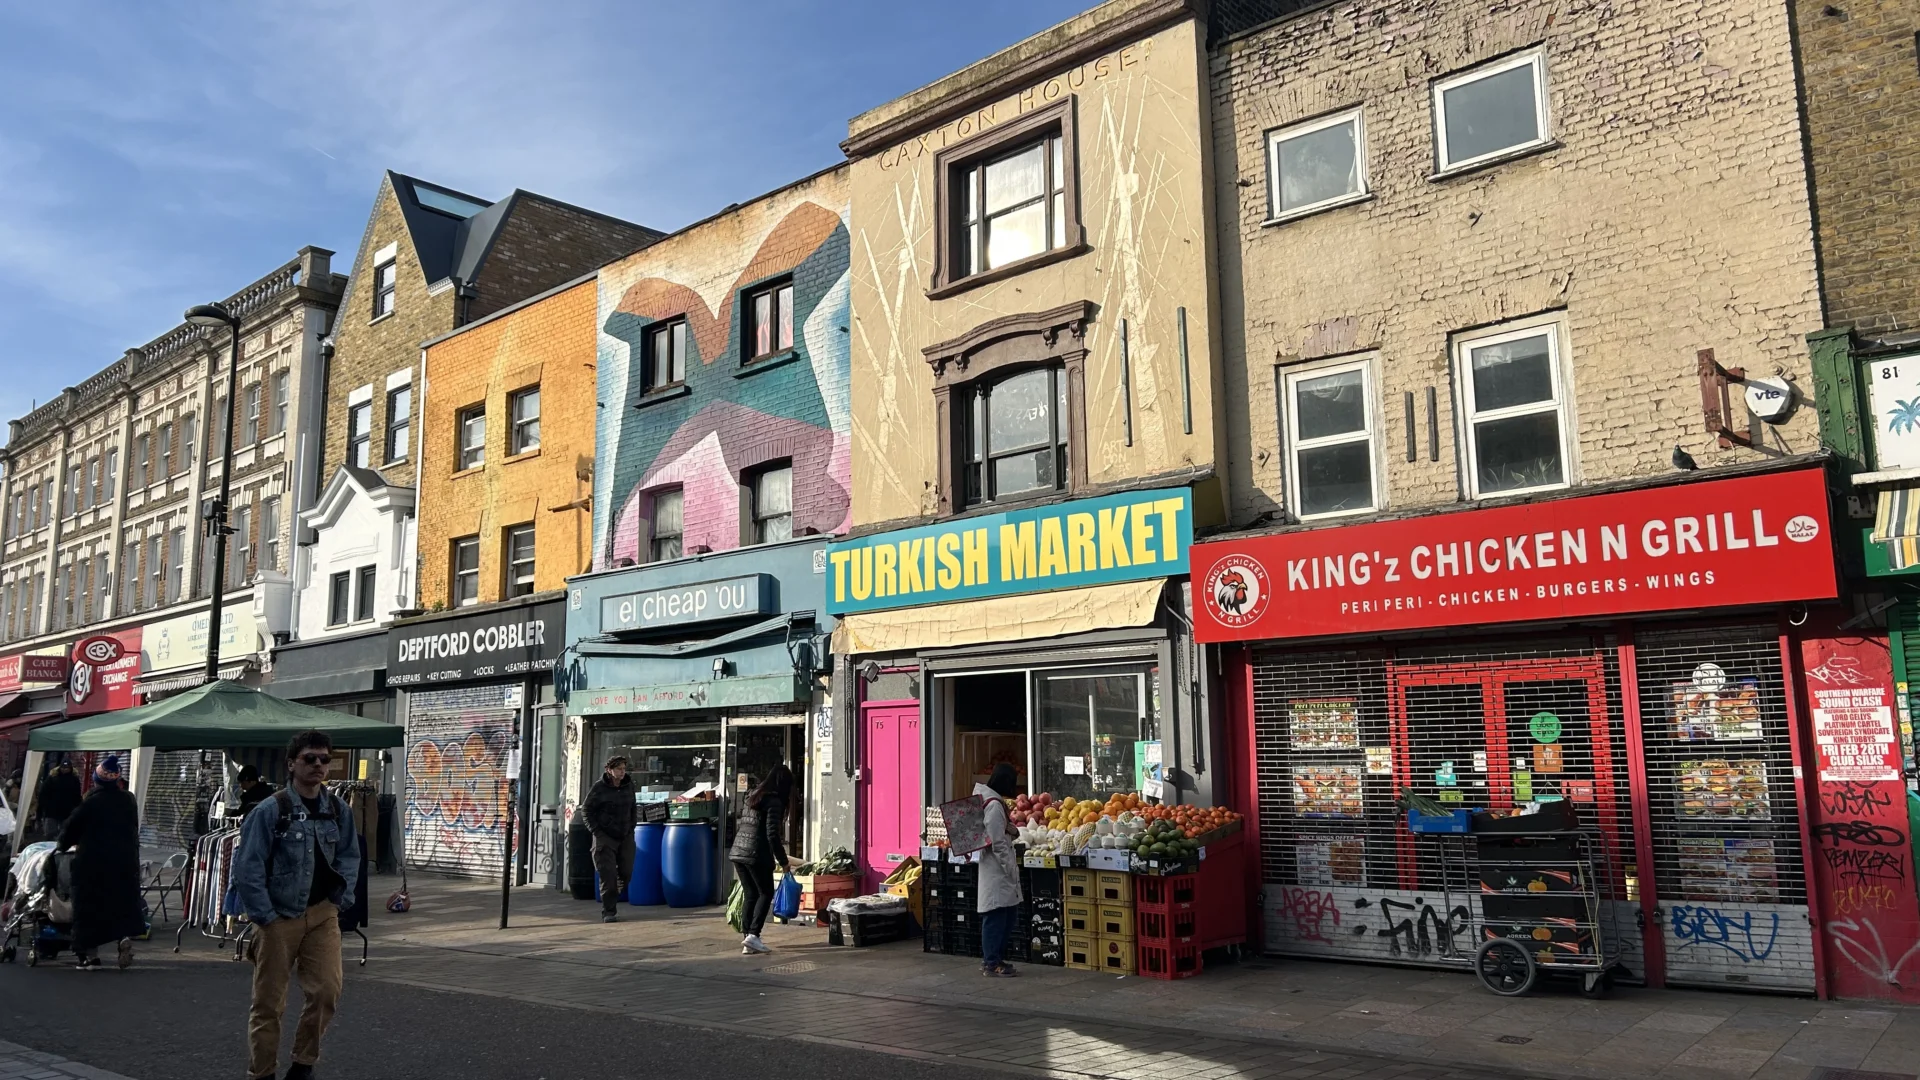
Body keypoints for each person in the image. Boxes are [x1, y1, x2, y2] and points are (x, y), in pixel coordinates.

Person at [232, 730, 360, 1080]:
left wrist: (340, 900)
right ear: (291, 764)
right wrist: (265, 917)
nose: (319, 765)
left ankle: (303, 1064)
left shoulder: (338, 809)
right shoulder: (271, 810)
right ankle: (262, 1072)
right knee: (269, 1004)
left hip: (322, 914)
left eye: (324, 759)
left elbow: (350, 855)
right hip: (278, 917)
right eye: (310, 759)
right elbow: (248, 866)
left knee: (326, 993)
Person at [55, 755, 144, 970]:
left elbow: (69, 830)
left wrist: (61, 846)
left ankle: (89, 956)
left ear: (97, 780)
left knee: (88, 909)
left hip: (92, 865)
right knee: (119, 905)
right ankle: (122, 937)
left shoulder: (90, 803)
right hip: (123, 863)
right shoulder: (129, 800)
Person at [729, 763, 792, 955]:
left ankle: (748, 937)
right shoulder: (774, 801)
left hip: (738, 852)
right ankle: (754, 935)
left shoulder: (753, 796)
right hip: (756, 853)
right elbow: (772, 835)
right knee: (765, 893)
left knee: (751, 894)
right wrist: (784, 861)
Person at [975, 763, 1023, 977]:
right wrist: (1010, 867)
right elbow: (997, 842)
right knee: (995, 915)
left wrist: (1012, 829)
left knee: (1006, 914)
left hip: (998, 869)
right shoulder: (994, 805)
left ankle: (995, 959)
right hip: (997, 869)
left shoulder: (991, 800)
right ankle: (991, 962)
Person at [583, 755, 637, 923]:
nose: (622, 772)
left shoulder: (629, 786)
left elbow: (633, 807)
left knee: (626, 872)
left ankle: (616, 890)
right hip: (605, 837)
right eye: (619, 769)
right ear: (609, 770)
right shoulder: (599, 788)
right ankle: (609, 911)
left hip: (625, 835)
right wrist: (597, 832)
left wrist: (631, 827)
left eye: (624, 769)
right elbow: (586, 810)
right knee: (608, 875)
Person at [36, 758, 82, 839]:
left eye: (67, 768)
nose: (65, 769)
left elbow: (77, 796)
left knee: (63, 834)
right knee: (51, 834)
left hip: (66, 811)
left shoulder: (74, 780)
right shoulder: (52, 778)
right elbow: (43, 795)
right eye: (63, 767)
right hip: (52, 811)